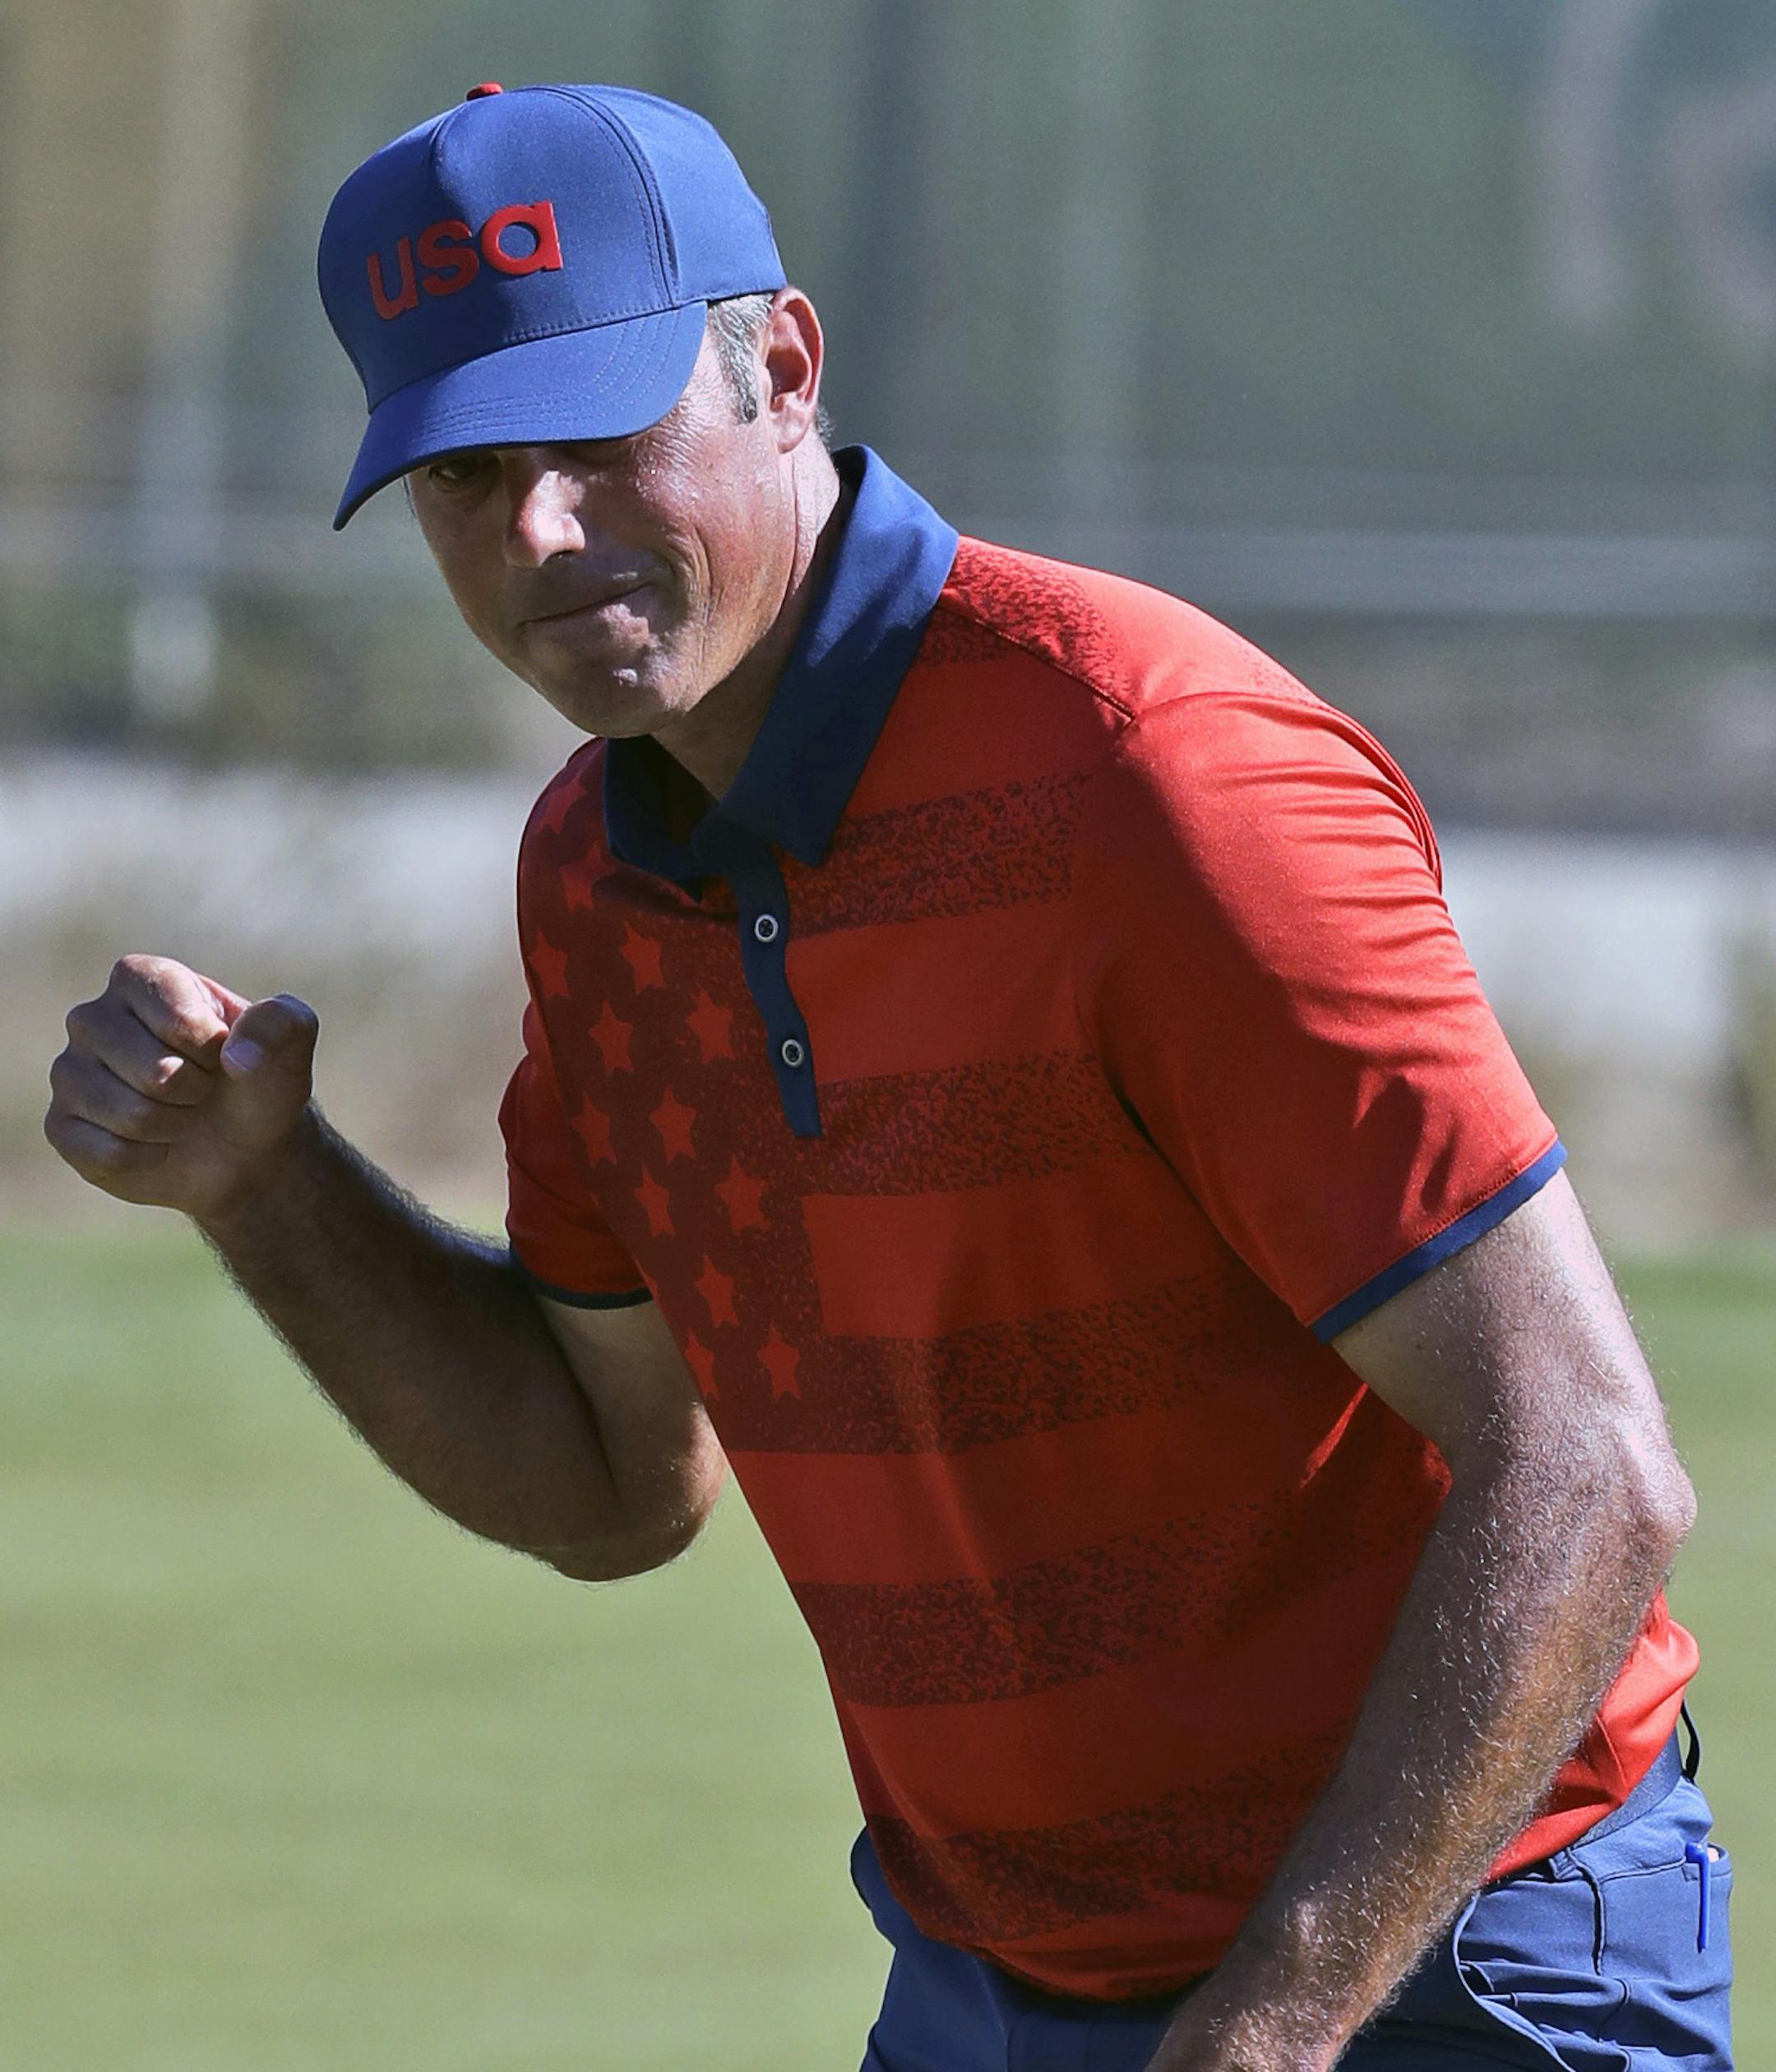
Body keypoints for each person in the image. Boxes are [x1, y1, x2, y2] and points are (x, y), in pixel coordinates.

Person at [44, 82, 1731, 2072]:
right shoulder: (594, 876)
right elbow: (604, 1479)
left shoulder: (1158, 779)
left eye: (598, 436)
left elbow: (1589, 1463)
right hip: (989, 1992)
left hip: (1454, 1965)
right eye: (467, 477)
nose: (542, 533)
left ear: (782, 364)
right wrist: (267, 1181)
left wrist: (1272, 2028)